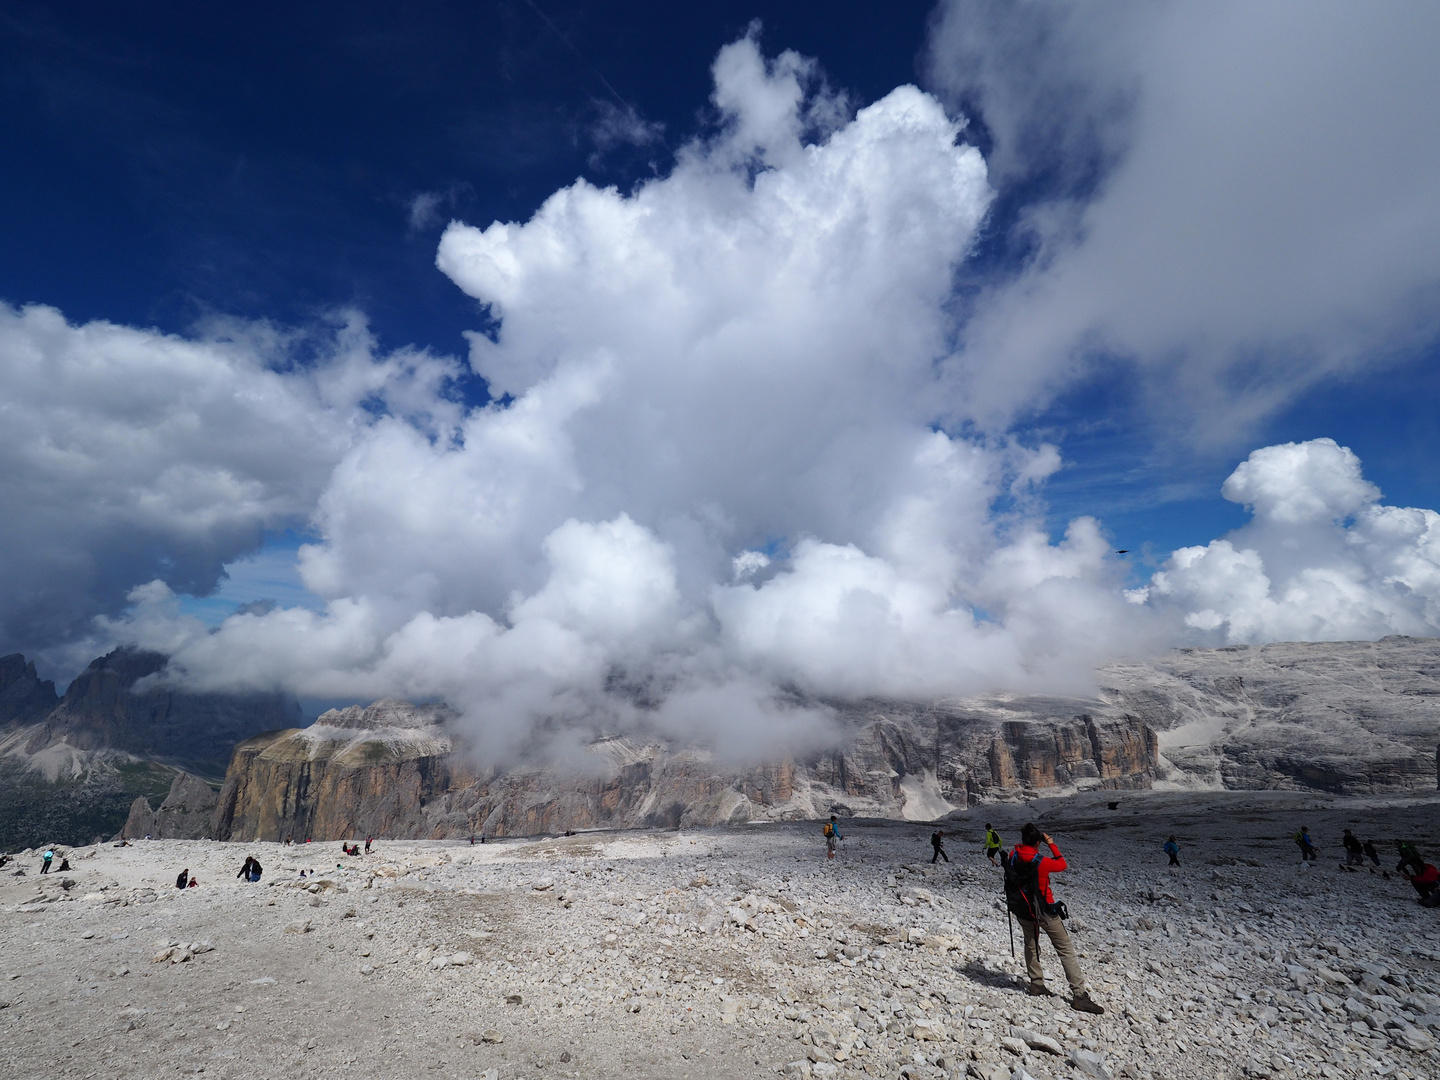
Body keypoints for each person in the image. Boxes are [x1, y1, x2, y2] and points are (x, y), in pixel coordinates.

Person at [1003, 823, 1104, 1015]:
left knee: (1030, 944)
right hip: (1045, 911)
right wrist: (1052, 843)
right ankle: (1079, 995)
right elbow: (1062, 864)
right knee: (1065, 948)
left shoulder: (1012, 855)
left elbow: (1017, 855)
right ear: (1038, 842)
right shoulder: (1042, 861)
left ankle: (1036, 984)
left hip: (1024, 909)